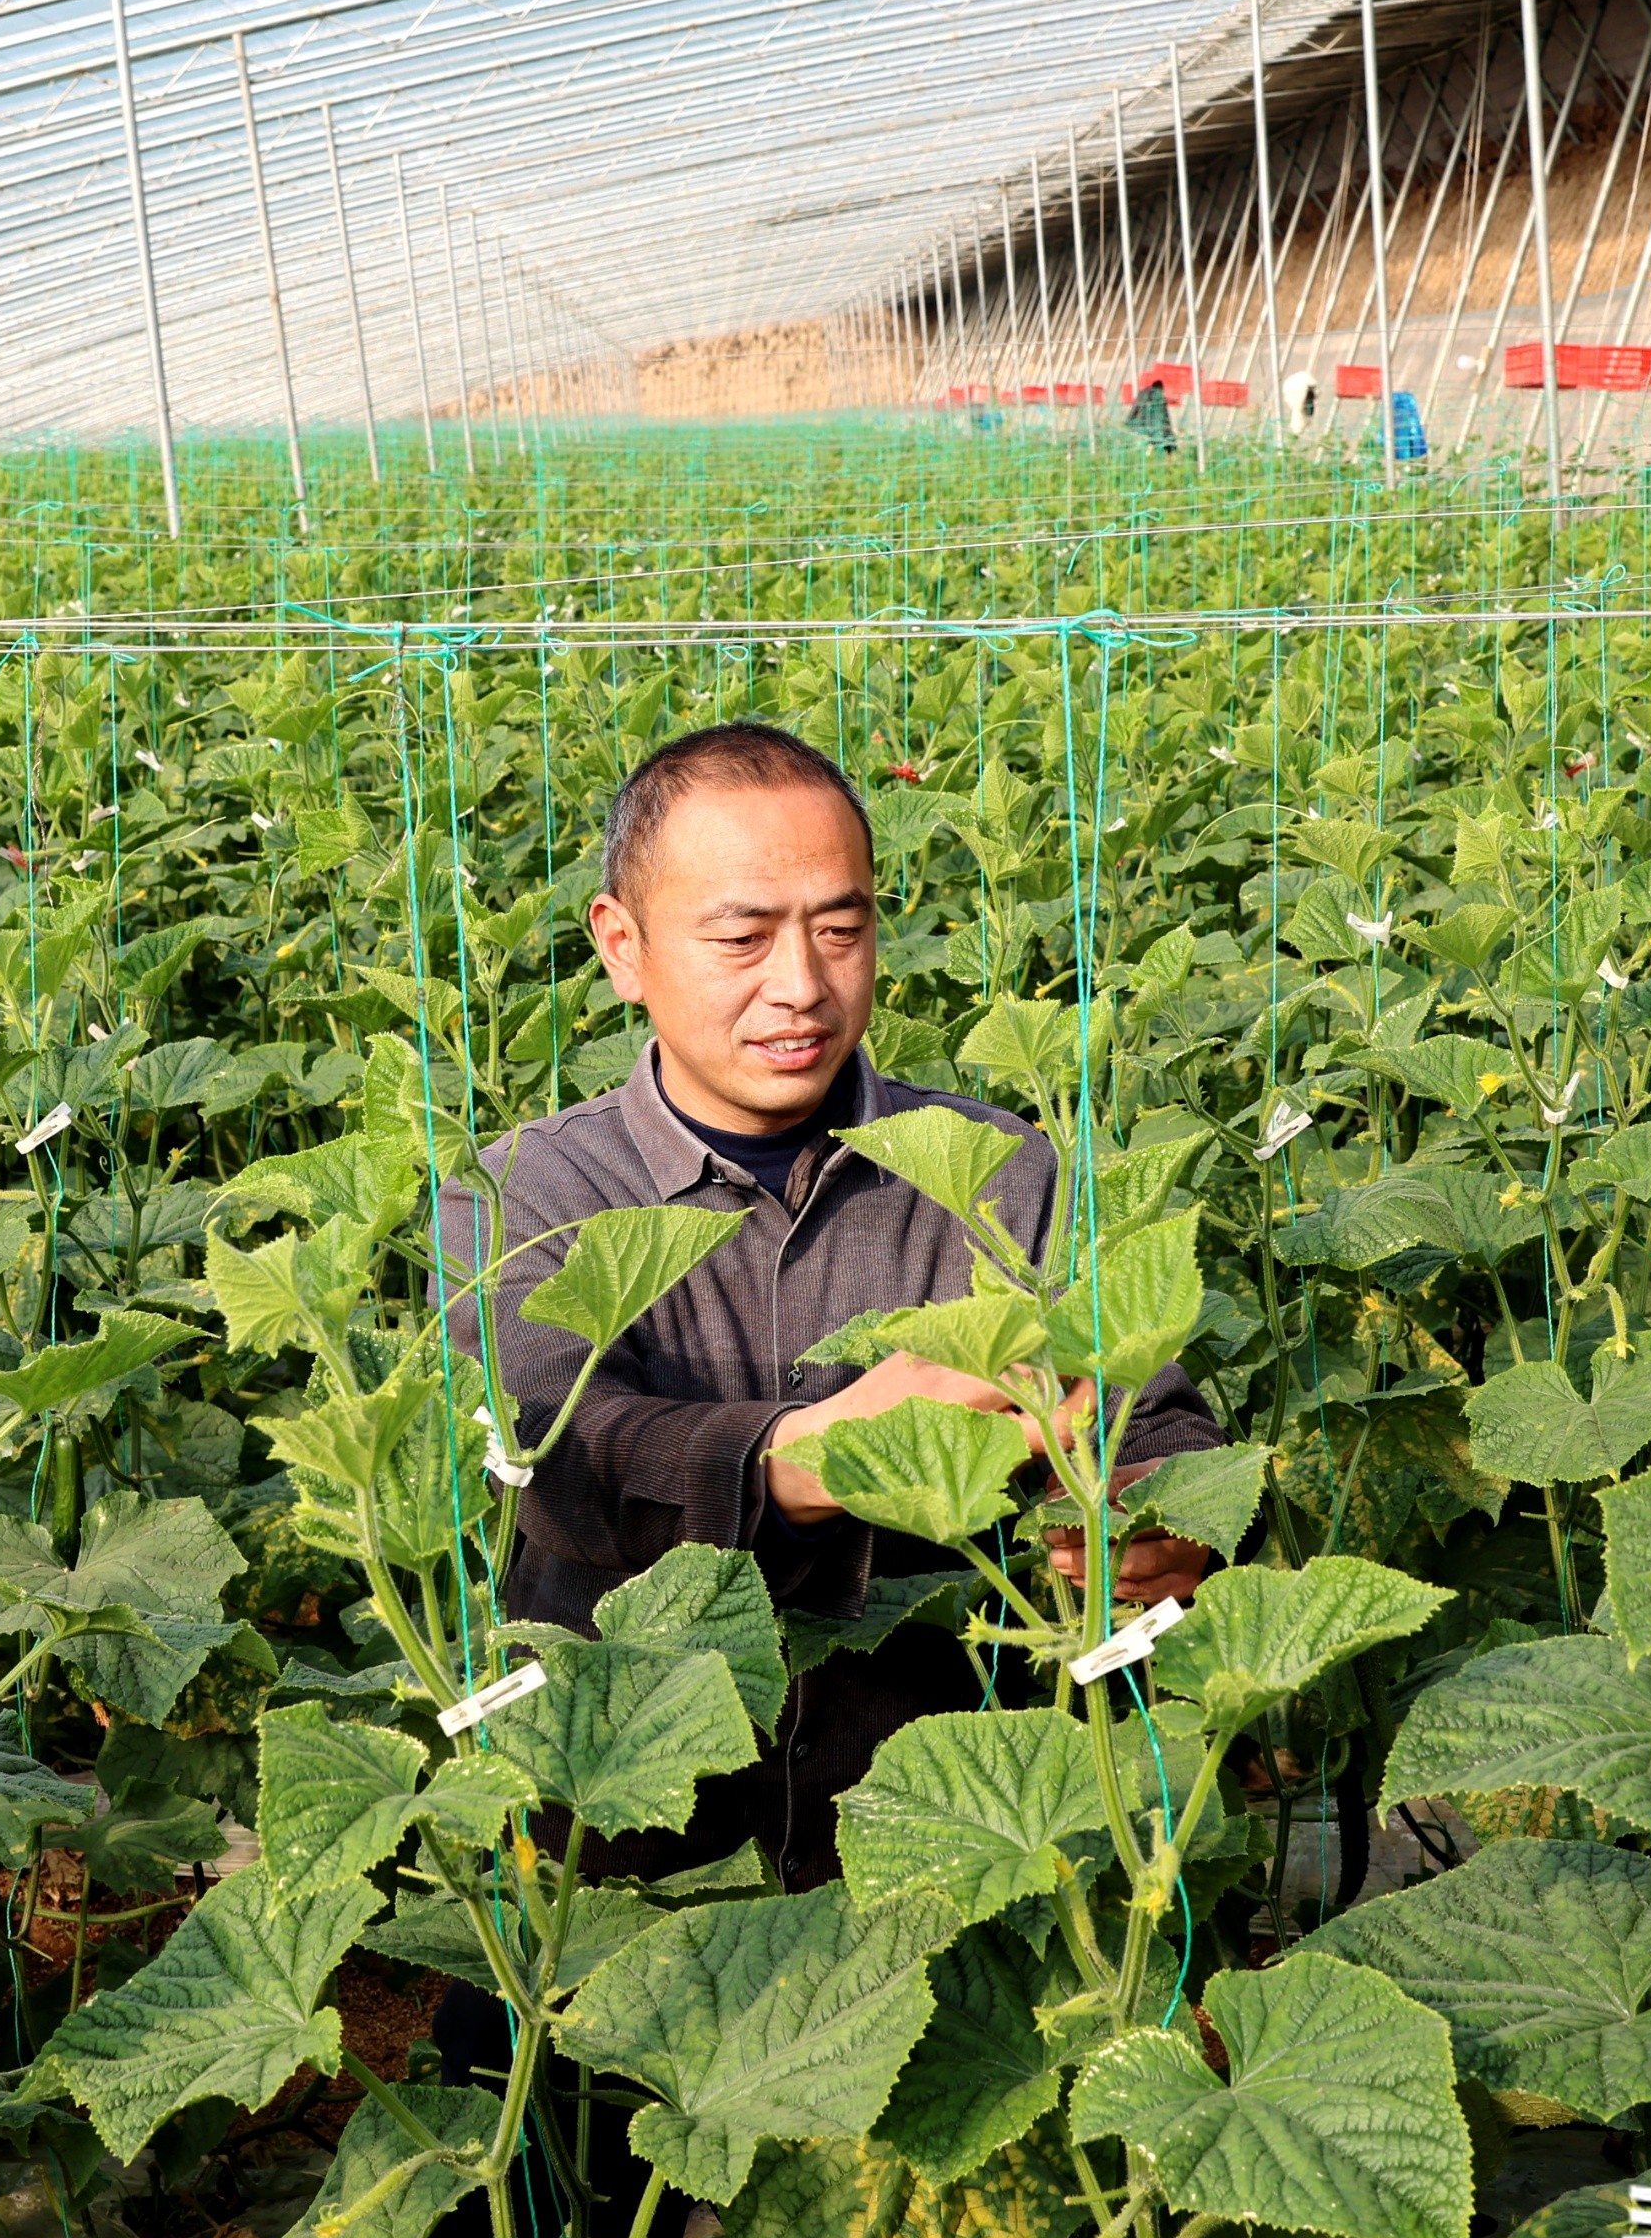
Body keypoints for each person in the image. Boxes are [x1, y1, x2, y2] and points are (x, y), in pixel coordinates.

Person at [447, 719, 1227, 1890]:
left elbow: (1148, 1415)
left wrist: (1167, 1522)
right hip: (621, 1874)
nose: (800, 985)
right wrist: (794, 1457)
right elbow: (554, 1449)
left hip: (954, 1846)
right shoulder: (526, 1193)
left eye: (840, 929)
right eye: (740, 935)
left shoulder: (993, 1167)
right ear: (622, 943)